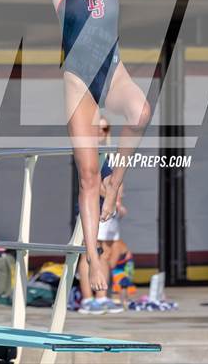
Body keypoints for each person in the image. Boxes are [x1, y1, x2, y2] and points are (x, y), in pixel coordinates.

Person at [50, 0, 150, 291]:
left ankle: (119, 180)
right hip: (77, 79)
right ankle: (90, 260)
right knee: (88, 176)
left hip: (110, 68)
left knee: (141, 112)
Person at [78, 117, 124, 314]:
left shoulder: (107, 153)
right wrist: (113, 196)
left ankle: (101, 296)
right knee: (89, 252)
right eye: (96, 128)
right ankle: (88, 299)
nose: (100, 132)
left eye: (104, 129)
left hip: (106, 211)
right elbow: (93, 184)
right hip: (91, 210)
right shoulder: (89, 153)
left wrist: (115, 197)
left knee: (105, 253)